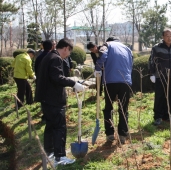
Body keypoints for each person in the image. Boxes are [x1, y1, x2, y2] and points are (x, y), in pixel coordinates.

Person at [35, 39, 85, 167]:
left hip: (46, 99)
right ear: (66, 48)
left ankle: (50, 154)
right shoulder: (56, 59)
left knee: (50, 127)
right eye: (69, 52)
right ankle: (60, 157)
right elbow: (57, 78)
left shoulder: (48, 56)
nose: (68, 55)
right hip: (54, 100)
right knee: (59, 128)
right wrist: (73, 83)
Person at [94, 36, 133, 144]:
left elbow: (102, 56)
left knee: (109, 107)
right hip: (125, 81)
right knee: (123, 108)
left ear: (108, 41)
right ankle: (122, 135)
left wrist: (97, 69)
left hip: (110, 81)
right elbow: (131, 63)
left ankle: (110, 134)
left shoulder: (106, 45)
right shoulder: (127, 48)